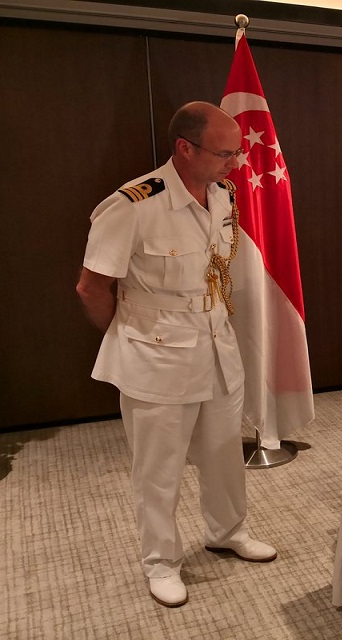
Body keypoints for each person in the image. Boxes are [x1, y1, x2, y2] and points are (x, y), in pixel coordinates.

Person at [75, 102, 276, 608]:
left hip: (215, 343)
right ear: (185, 148)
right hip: (156, 353)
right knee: (158, 468)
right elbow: (90, 286)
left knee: (224, 451)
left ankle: (227, 531)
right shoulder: (134, 204)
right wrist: (126, 336)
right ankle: (160, 561)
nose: (236, 164)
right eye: (224, 153)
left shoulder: (222, 194)